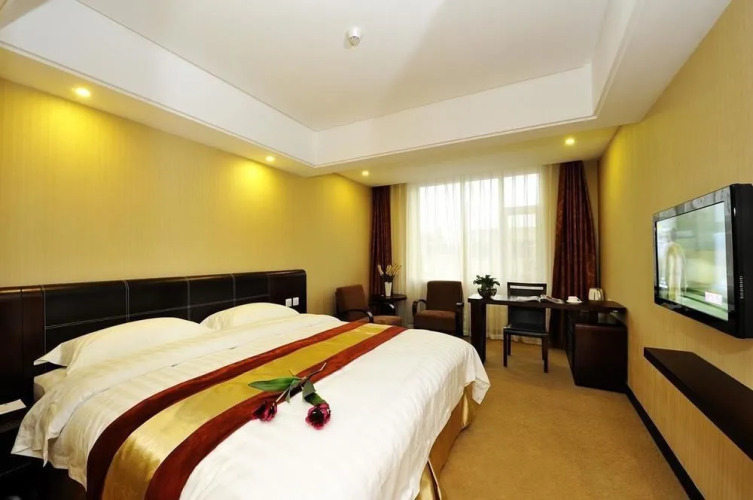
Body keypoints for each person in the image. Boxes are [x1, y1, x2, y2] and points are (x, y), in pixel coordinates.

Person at [663, 227, 686, 302]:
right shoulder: (678, 248)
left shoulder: (670, 247)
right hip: (677, 276)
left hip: (672, 277)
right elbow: (683, 264)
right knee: (676, 297)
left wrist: (665, 278)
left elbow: (666, 265)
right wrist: (684, 281)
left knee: (673, 298)